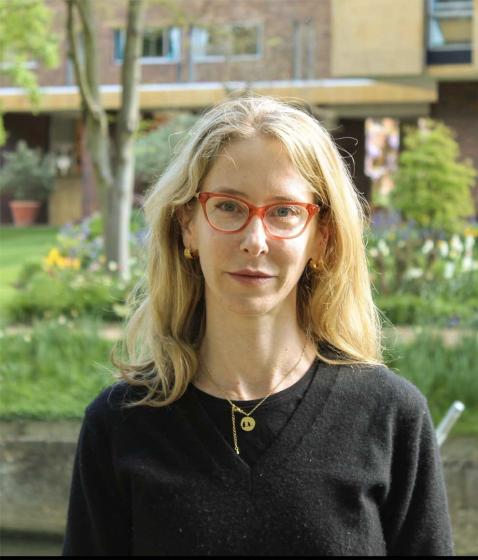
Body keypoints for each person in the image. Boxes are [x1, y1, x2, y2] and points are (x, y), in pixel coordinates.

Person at [62, 95, 454, 556]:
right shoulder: (119, 423)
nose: (255, 240)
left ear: (321, 237)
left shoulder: (390, 416)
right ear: (188, 224)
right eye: (228, 206)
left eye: (284, 211)